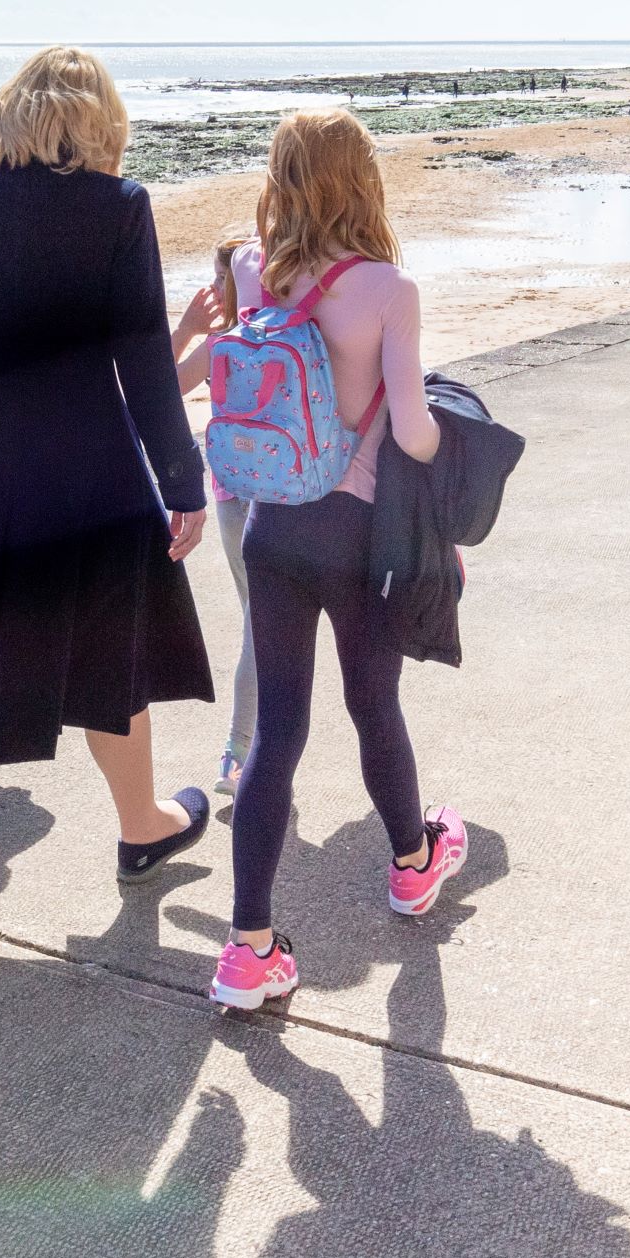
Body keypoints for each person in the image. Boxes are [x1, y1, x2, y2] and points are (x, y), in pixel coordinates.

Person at [0, 45, 217, 954]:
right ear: (97, 118)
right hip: (89, 467)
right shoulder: (120, 206)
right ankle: (140, 823)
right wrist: (182, 480)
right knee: (115, 652)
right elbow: (143, 354)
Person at [181, 106, 463, 1019]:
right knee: (373, 705)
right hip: (354, 536)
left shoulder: (261, 269)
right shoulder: (389, 289)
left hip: (272, 528)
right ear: (361, 179)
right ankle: (415, 866)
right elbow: (414, 431)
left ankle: (248, 948)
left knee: (280, 734)